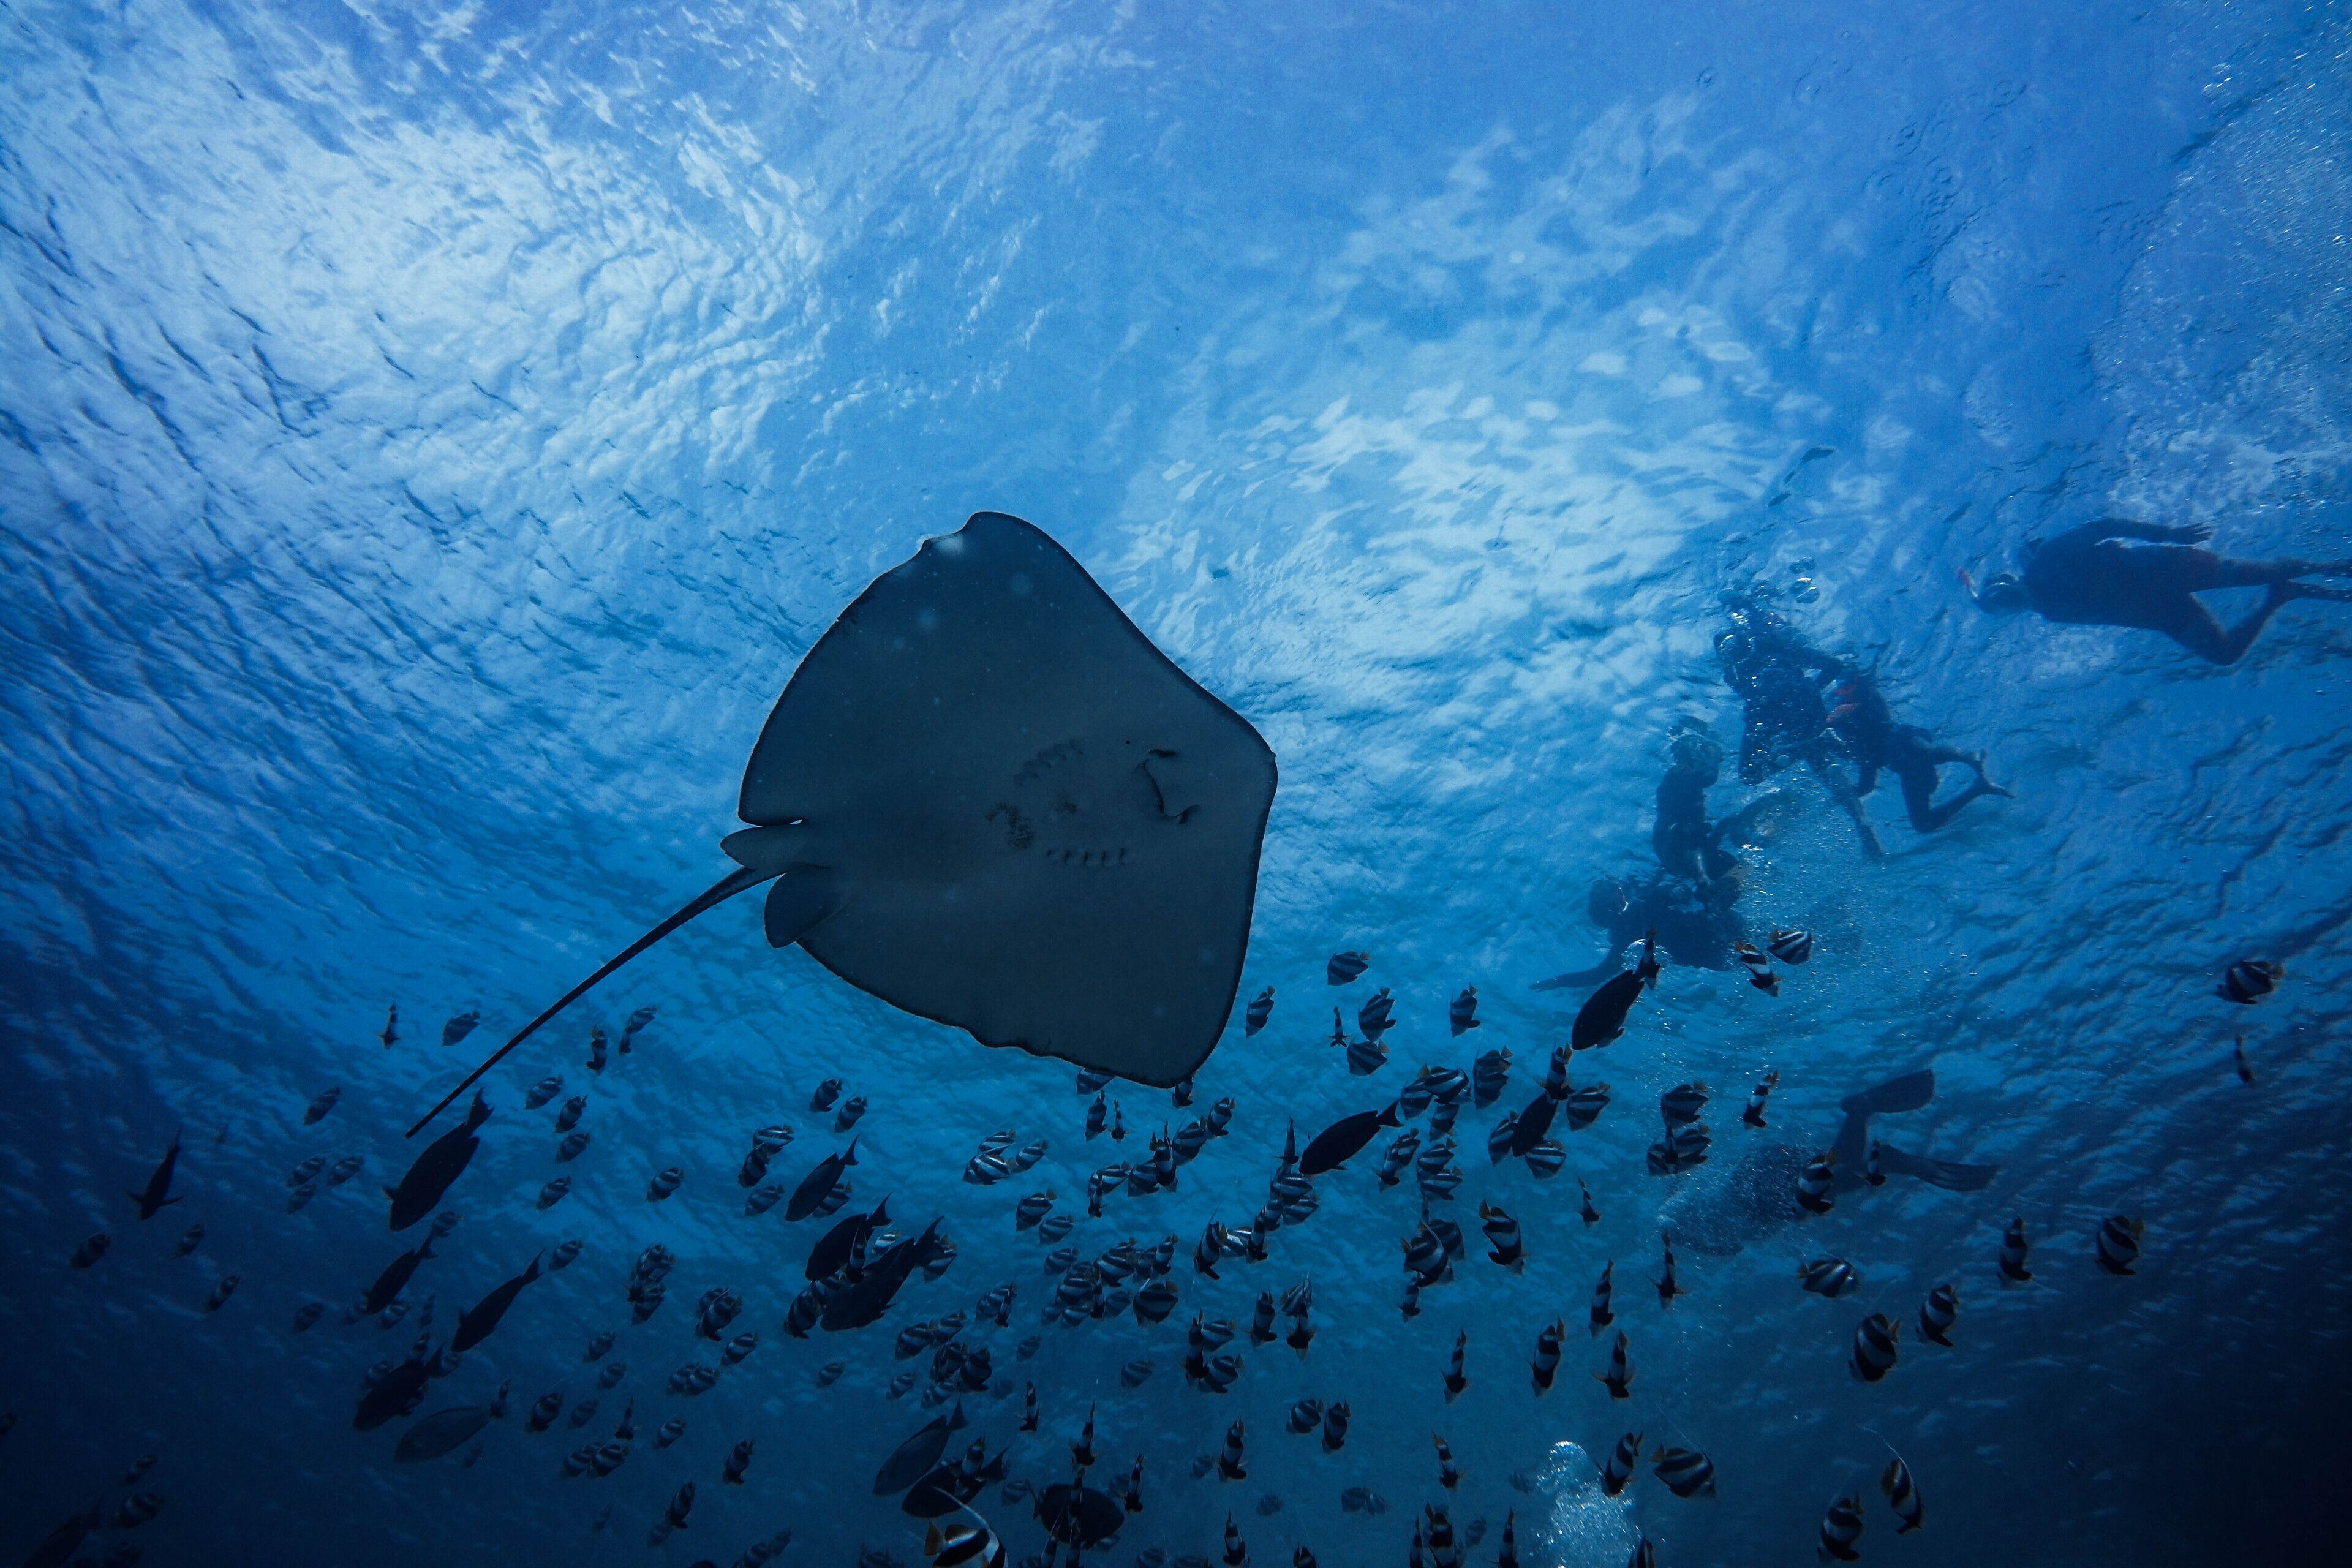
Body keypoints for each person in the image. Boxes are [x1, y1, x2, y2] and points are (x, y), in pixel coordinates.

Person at [1967, 519, 2352, 665]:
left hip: (2163, 569)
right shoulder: (2051, 613)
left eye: (2002, 591)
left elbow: (2106, 526)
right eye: (1999, 607)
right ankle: (2282, 596)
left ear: (2010, 579)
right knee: (2224, 654)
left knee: (2261, 573)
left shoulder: (2048, 559)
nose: (2004, 600)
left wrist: (2168, 535)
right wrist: (2166, 624)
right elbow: (2115, 616)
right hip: (2161, 612)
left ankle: (2331, 568)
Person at [1715, 592, 1882, 857]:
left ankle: (1805, 746)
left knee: (1750, 773)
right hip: (1802, 699)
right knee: (1824, 764)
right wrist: (1812, 691)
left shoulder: (1732, 654)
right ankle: (1865, 832)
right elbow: (1833, 665)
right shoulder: (1777, 640)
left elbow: (1745, 691)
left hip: (1765, 708)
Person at [1825, 667, 2011, 834]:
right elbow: (1867, 782)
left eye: (1846, 687)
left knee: (1925, 753)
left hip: (1904, 740)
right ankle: (1978, 789)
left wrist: (1850, 710)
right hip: (1908, 769)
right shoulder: (1858, 745)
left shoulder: (1867, 703)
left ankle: (1970, 757)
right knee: (1923, 824)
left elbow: (1874, 713)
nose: (1842, 693)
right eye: (1839, 690)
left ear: (1856, 684)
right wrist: (1845, 796)